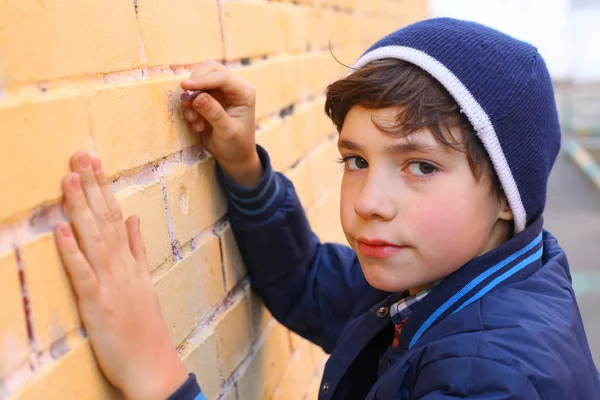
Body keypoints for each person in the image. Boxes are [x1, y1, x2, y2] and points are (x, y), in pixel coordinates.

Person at [54, 18, 600, 399]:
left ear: (508, 193)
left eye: (421, 167)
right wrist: (244, 168)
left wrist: (157, 378)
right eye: (356, 160)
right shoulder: (448, 281)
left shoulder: (494, 379)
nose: (369, 203)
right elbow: (307, 282)